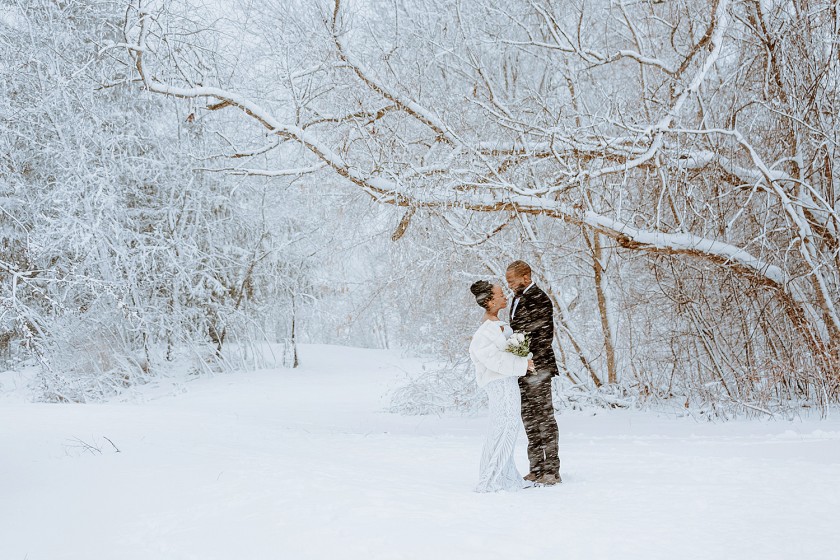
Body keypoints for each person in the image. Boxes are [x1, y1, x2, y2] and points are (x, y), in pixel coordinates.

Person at [468, 280, 535, 492]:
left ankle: (507, 478)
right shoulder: (484, 333)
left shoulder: (500, 325)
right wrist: (522, 364)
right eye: (500, 294)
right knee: (504, 428)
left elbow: (512, 352)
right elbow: (495, 361)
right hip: (499, 385)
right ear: (489, 301)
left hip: (508, 383)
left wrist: (523, 354)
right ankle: (489, 480)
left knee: (508, 429)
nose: (505, 296)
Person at [506, 260, 561, 486]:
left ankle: (552, 471)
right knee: (529, 418)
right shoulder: (517, 299)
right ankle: (536, 468)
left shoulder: (540, 298)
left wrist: (528, 360)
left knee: (544, 417)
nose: (509, 285)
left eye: (512, 280)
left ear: (526, 277)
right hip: (522, 369)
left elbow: (543, 336)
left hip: (538, 367)